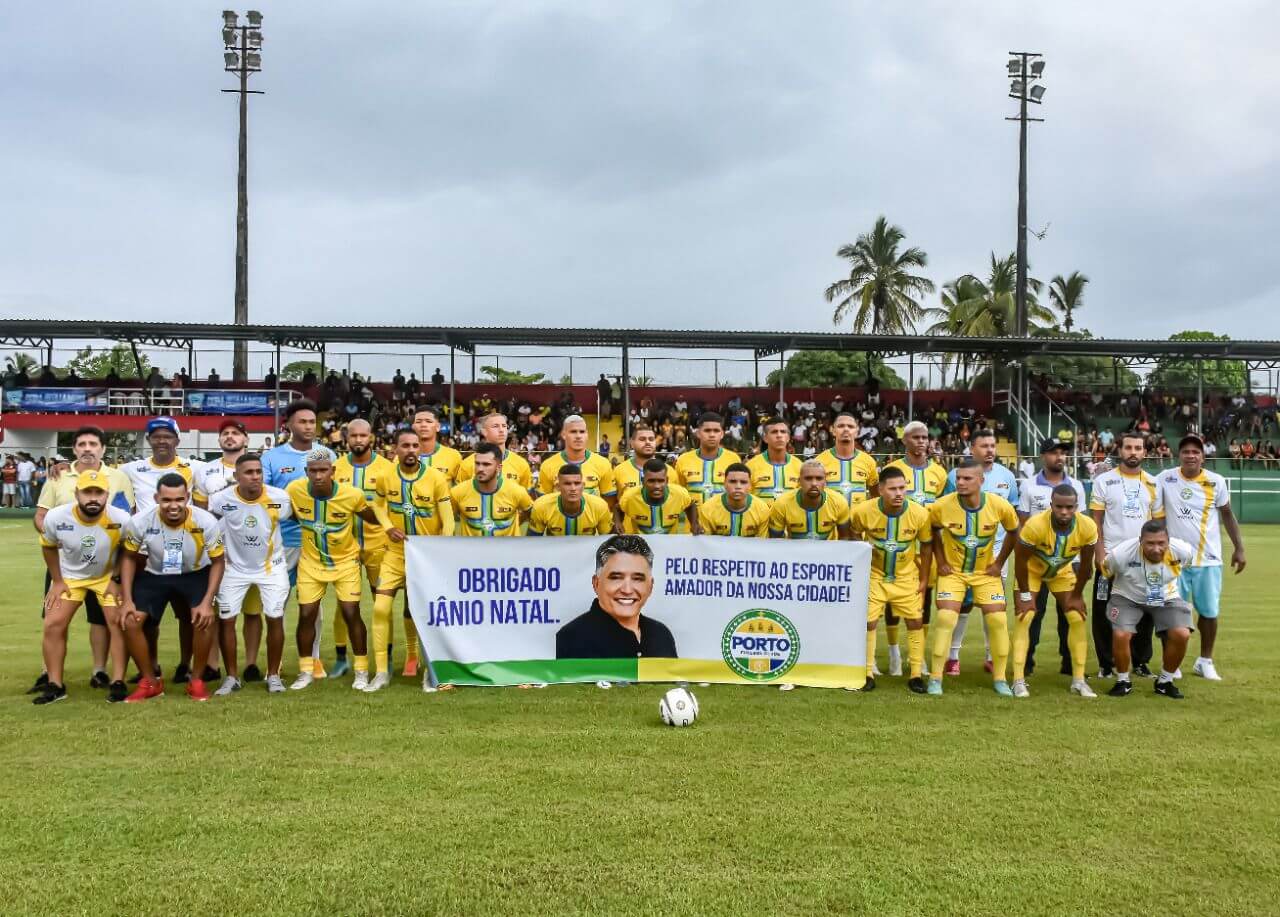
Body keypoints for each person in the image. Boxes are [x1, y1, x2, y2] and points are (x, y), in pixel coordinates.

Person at [31, 426, 134, 694]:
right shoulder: (58, 495)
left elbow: (129, 548)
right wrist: (56, 580)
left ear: (106, 494)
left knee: (115, 621)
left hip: (105, 574)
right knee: (53, 622)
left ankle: (116, 680)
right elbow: (48, 545)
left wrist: (117, 579)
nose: (93, 497)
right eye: (87, 492)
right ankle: (53, 682)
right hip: (69, 574)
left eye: (98, 493)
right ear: (76, 494)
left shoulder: (120, 506)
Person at [116, 474, 226, 703]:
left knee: (204, 618)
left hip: (194, 573)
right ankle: (150, 682)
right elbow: (127, 558)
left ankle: (196, 680)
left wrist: (207, 602)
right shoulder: (141, 521)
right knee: (129, 620)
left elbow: (218, 562)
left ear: (187, 497)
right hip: (155, 574)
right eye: (166, 500)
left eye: (179, 499)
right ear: (157, 498)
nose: (173, 506)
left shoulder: (205, 521)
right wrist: (126, 599)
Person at [286, 449, 385, 691]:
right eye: (313, 471)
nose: (318, 475)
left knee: (351, 612)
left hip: (345, 562)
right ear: (306, 472)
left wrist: (391, 517)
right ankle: (306, 671)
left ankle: (361, 671)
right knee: (307, 614)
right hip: (311, 563)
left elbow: (372, 517)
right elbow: (280, 511)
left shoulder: (352, 495)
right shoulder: (294, 491)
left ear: (333, 471)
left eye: (323, 470)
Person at [367, 430, 454, 691]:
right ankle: (381, 672)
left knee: (426, 613)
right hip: (394, 554)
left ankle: (429, 670)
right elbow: (378, 505)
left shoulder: (436, 478)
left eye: (416, 445)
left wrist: (441, 544)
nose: (411, 450)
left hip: (425, 557)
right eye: (405, 445)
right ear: (395, 449)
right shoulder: (385, 476)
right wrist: (386, 526)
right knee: (380, 608)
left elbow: (448, 517)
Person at [1156, 434, 1246, 680]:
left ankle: (1204, 661)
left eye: (1196, 452)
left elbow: (1227, 514)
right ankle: (1171, 664)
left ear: (1203, 457)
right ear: (1179, 456)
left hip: (1209, 559)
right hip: (1174, 560)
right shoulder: (1165, 478)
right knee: (1173, 614)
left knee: (1209, 612)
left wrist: (1239, 547)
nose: (1191, 455)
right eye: (1186, 451)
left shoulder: (1216, 481)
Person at [927, 458, 1020, 696]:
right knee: (947, 618)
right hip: (954, 574)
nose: (960, 482)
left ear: (981, 480)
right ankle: (935, 679)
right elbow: (933, 530)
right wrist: (942, 561)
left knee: (998, 621)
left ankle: (1000, 679)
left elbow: (1013, 532)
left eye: (967, 478)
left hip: (985, 573)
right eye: (958, 477)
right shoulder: (941, 506)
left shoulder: (999, 505)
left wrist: (999, 563)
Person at [207, 454, 293, 695]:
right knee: (227, 619)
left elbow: (291, 517)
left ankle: (273, 675)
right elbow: (210, 520)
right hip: (233, 568)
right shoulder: (221, 500)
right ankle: (232, 677)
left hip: (272, 567)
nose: (255, 477)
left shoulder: (280, 498)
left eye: (258, 472)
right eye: (248, 472)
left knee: (275, 617)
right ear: (236, 476)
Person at [261, 399, 334, 678]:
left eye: (312, 422)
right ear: (289, 424)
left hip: (315, 541)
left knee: (313, 604)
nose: (308, 426)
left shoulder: (326, 453)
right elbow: (266, 498)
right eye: (302, 421)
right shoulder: (271, 458)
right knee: (278, 599)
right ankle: (275, 660)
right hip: (281, 541)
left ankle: (313, 658)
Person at [941, 428, 1019, 676]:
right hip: (961, 553)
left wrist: (1000, 559)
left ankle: (991, 656)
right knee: (961, 605)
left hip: (995, 553)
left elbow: (1013, 518)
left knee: (994, 606)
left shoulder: (1007, 476)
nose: (990, 450)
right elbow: (945, 512)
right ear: (972, 448)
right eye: (984, 446)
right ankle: (952, 656)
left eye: (993, 446)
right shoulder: (955, 476)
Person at [850, 466, 932, 693]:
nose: (899, 493)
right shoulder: (862, 511)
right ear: (880, 490)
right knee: (869, 622)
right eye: (893, 488)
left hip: (906, 577)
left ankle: (915, 674)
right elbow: (854, 535)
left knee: (915, 622)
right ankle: (866, 673)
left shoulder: (920, 514)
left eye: (902, 488)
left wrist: (924, 579)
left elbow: (926, 547)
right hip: (875, 575)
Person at [1013, 485, 1099, 699]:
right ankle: (1018, 680)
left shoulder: (1087, 526)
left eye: (1069, 507)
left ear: (1076, 507)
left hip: (1062, 572)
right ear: (1051, 505)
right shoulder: (1035, 525)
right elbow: (1020, 561)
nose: (1063, 512)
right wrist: (1024, 595)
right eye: (1059, 507)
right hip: (1031, 571)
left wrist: (1077, 595)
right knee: (1025, 617)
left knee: (1077, 617)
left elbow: (1088, 566)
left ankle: (1078, 681)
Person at [1089, 431, 1163, 679]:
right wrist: (1100, 555)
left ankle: (1141, 662)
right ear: (1120, 450)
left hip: (1143, 561)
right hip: (1110, 558)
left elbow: (1158, 525)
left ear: (1145, 452)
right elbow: (1095, 522)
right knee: (1103, 612)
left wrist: (1157, 556)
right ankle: (1106, 665)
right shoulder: (1104, 481)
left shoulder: (1153, 483)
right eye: (1128, 447)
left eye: (1138, 448)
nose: (1133, 452)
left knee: (1146, 612)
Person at [881, 420, 948, 677]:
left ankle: (917, 656)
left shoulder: (939, 473)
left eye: (925, 437)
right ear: (905, 441)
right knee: (891, 600)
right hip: (897, 546)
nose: (921, 442)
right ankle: (894, 651)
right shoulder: (892, 469)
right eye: (916, 437)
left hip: (927, 545)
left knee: (924, 599)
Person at [1016, 439, 1088, 678]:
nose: (1059, 457)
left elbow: (1081, 525)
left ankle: (1069, 665)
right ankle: (1026, 664)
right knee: (1032, 614)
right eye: (1054, 452)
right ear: (1042, 456)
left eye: (1063, 453)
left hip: (1067, 561)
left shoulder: (1076, 485)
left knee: (1069, 614)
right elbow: (1023, 523)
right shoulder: (1028, 485)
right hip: (1036, 559)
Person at [1102, 521, 1196, 700]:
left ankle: (1165, 682)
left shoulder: (1183, 551)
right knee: (1121, 634)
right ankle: (1123, 681)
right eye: (1150, 543)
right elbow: (1107, 572)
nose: (1156, 548)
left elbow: (1186, 565)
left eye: (1161, 543)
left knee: (1182, 634)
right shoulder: (1120, 554)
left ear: (1169, 541)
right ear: (1140, 541)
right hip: (1127, 596)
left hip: (1166, 596)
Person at [555, 535, 677, 660]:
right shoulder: (572, 637)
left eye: (637, 579)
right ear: (596, 583)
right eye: (616, 578)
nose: (627, 590)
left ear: (650, 586)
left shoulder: (661, 634)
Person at [119, 417, 201, 515]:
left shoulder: (196, 468)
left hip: (181, 528)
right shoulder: (130, 469)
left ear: (177, 441)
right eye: (156, 437)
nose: (161, 441)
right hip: (145, 529)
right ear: (148, 440)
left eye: (167, 437)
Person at [451, 443, 534, 537]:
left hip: (508, 551)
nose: (480, 468)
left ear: (499, 467)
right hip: (471, 551)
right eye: (477, 463)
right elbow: (445, 520)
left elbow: (533, 514)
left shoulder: (516, 491)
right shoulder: (457, 492)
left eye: (486, 464)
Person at [537, 414, 617, 504]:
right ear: (563, 434)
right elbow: (543, 502)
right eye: (573, 432)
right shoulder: (548, 465)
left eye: (582, 432)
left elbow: (609, 502)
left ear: (587, 435)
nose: (578, 436)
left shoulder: (603, 464)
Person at [769, 459, 852, 540]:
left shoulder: (839, 502)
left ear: (825, 481)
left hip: (828, 552)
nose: (814, 483)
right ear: (799, 481)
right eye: (808, 478)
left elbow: (845, 538)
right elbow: (775, 542)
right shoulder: (782, 504)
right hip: (794, 552)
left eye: (819, 478)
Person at [674, 412, 741, 506]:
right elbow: (679, 493)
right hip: (692, 520)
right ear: (698, 433)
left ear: (722, 434)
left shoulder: (734, 459)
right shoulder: (683, 460)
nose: (712, 435)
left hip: (723, 520)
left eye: (716, 431)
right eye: (707, 430)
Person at [617, 459, 699, 535]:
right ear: (643, 481)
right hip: (641, 545)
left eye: (661, 481)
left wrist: (694, 523)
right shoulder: (630, 496)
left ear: (666, 481)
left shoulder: (680, 494)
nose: (656, 486)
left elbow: (691, 505)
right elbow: (617, 508)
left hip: (670, 544)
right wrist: (618, 522)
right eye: (651, 481)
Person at [529, 463, 614, 536]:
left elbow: (609, 541)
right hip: (554, 552)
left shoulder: (599, 506)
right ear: (558, 487)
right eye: (567, 484)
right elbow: (532, 542)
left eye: (577, 483)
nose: (573, 488)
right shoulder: (541, 506)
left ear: (583, 485)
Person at [816, 412, 879, 508]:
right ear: (832, 430)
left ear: (857, 431)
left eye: (850, 426)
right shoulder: (819, 461)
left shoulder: (868, 461)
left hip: (858, 522)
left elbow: (876, 496)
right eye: (841, 426)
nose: (846, 429)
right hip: (830, 522)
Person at [456, 413, 533, 492]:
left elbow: (526, 499)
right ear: (484, 432)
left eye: (504, 426)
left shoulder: (521, 464)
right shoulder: (467, 464)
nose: (501, 430)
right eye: (495, 426)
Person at [698, 463, 771, 537]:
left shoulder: (762, 509)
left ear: (750, 485)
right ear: (724, 484)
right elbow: (705, 543)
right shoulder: (708, 508)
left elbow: (762, 544)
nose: (738, 486)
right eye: (732, 481)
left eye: (743, 482)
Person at [192, 418, 250, 505]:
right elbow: (201, 511)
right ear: (219, 441)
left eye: (235, 433)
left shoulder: (262, 469)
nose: (229, 436)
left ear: (246, 441)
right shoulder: (202, 471)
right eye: (225, 433)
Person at [612, 425, 676, 501]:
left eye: (651, 439)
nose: (648, 442)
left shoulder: (670, 471)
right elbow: (612, 504)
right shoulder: (619, 471)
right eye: (642, 439)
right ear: (632, 443)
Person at [746, 417, 802, 503]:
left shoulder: (800, 467)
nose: (779, 435)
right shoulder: (750, 466)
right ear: (765, 438)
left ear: (788, 438)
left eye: (783, 432)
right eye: (774, 432)